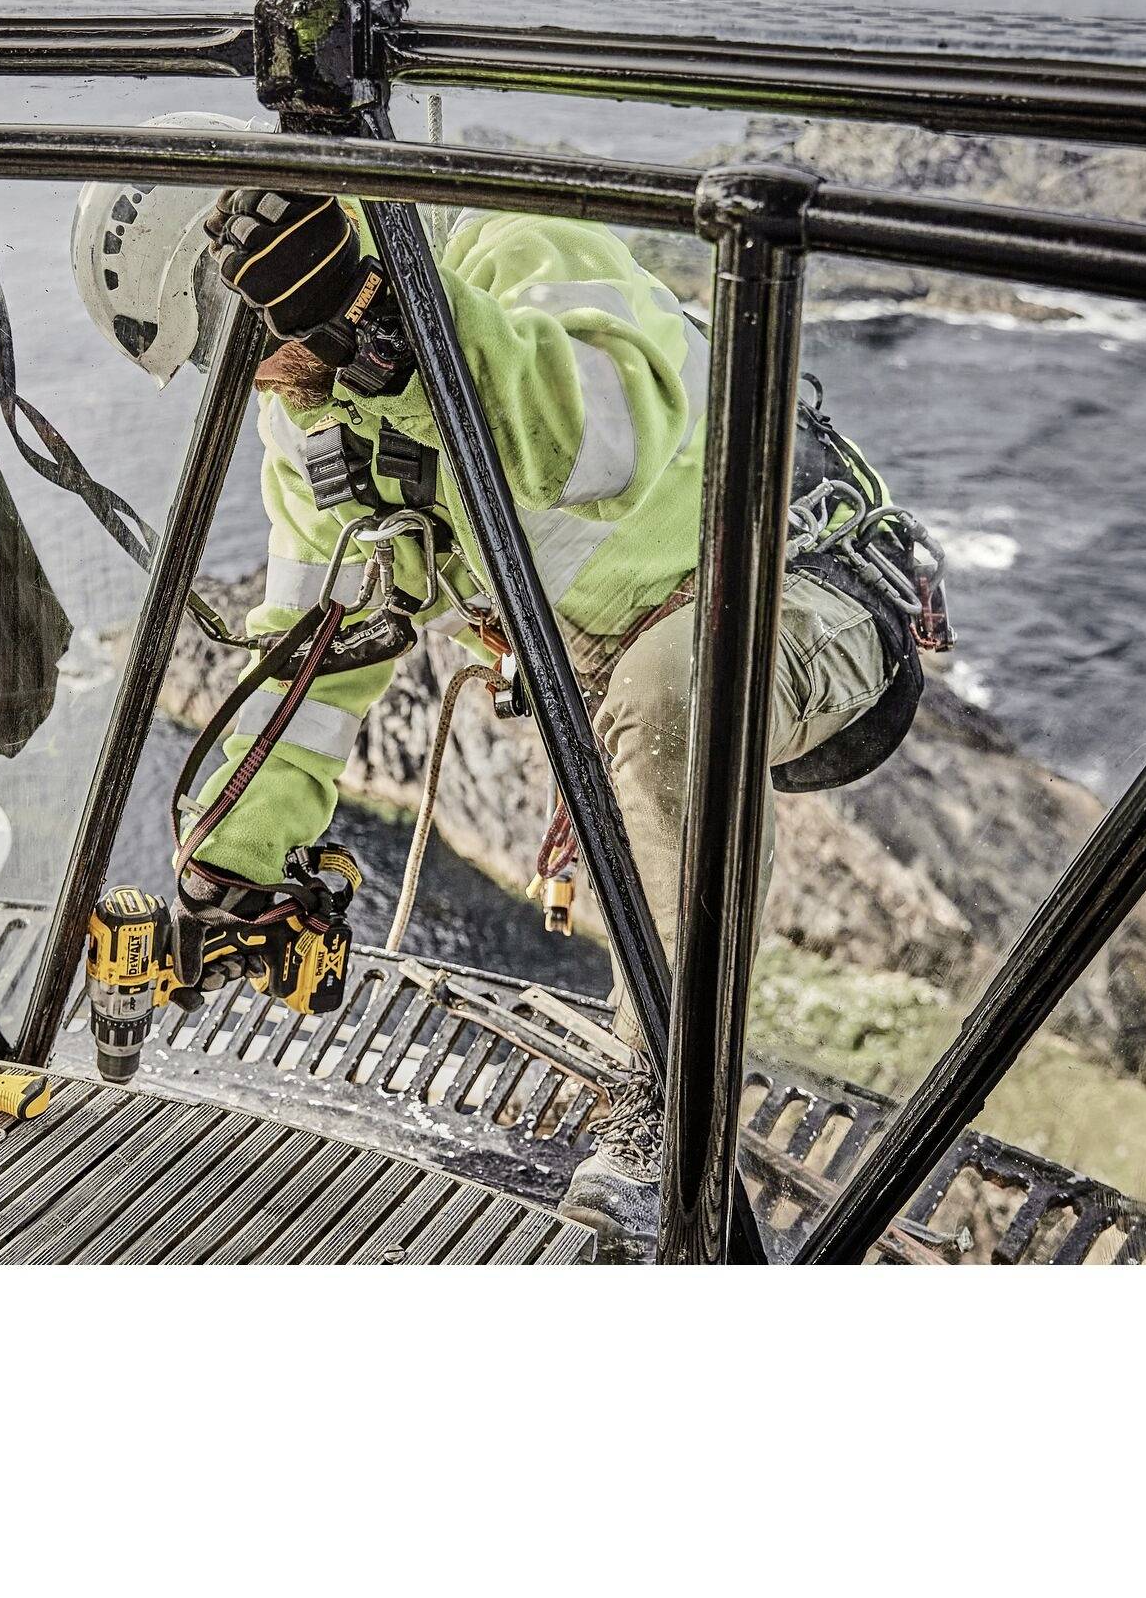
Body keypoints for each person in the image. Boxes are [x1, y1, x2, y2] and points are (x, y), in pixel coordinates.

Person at [73, 122, 923, 1257]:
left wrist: (397, 333)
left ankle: (664, 1118)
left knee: (677, 683)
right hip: (609, 665)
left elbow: (607, 436)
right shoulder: (309, 420)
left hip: (792, 591)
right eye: (223, 362)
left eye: (240, 338)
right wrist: (229, 853)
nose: (261, 376)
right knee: (656, 686)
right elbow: (312, 653)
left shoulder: (515, 243)